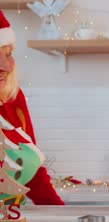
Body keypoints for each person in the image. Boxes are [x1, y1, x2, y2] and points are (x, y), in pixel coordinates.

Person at [0, 10, 64, 205]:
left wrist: (58, 213)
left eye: (8, 54)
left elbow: (35, 170)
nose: (6, 66)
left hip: (13, 220)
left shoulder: (13, 98)